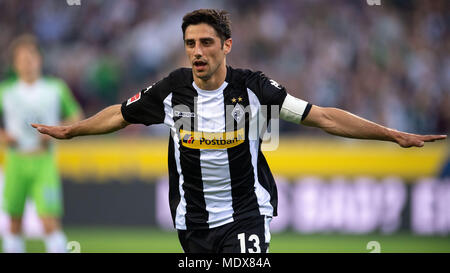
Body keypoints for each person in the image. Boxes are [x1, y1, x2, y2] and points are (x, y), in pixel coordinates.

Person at [31, 9, 446, 253]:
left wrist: (391, 133)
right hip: (191, 222)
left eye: (207, 43)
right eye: (191, 43)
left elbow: (323, 116)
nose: (197, 51)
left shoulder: (254, 88)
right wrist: (74, 131)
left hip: (246, 216)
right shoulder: (171, 89)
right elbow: (120, 114)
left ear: (226, 46)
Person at [0, 34, 83, 253]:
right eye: (22, 58)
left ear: (39, 59)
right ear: (15, 63)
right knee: (14, 223)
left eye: (31, 56)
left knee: (49, 221)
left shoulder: (55, 88)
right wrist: (2, 136)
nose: (27, 61)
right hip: (15, 161)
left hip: (43, 161)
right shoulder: (5, 91)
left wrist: (57, 130)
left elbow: (76, 116)